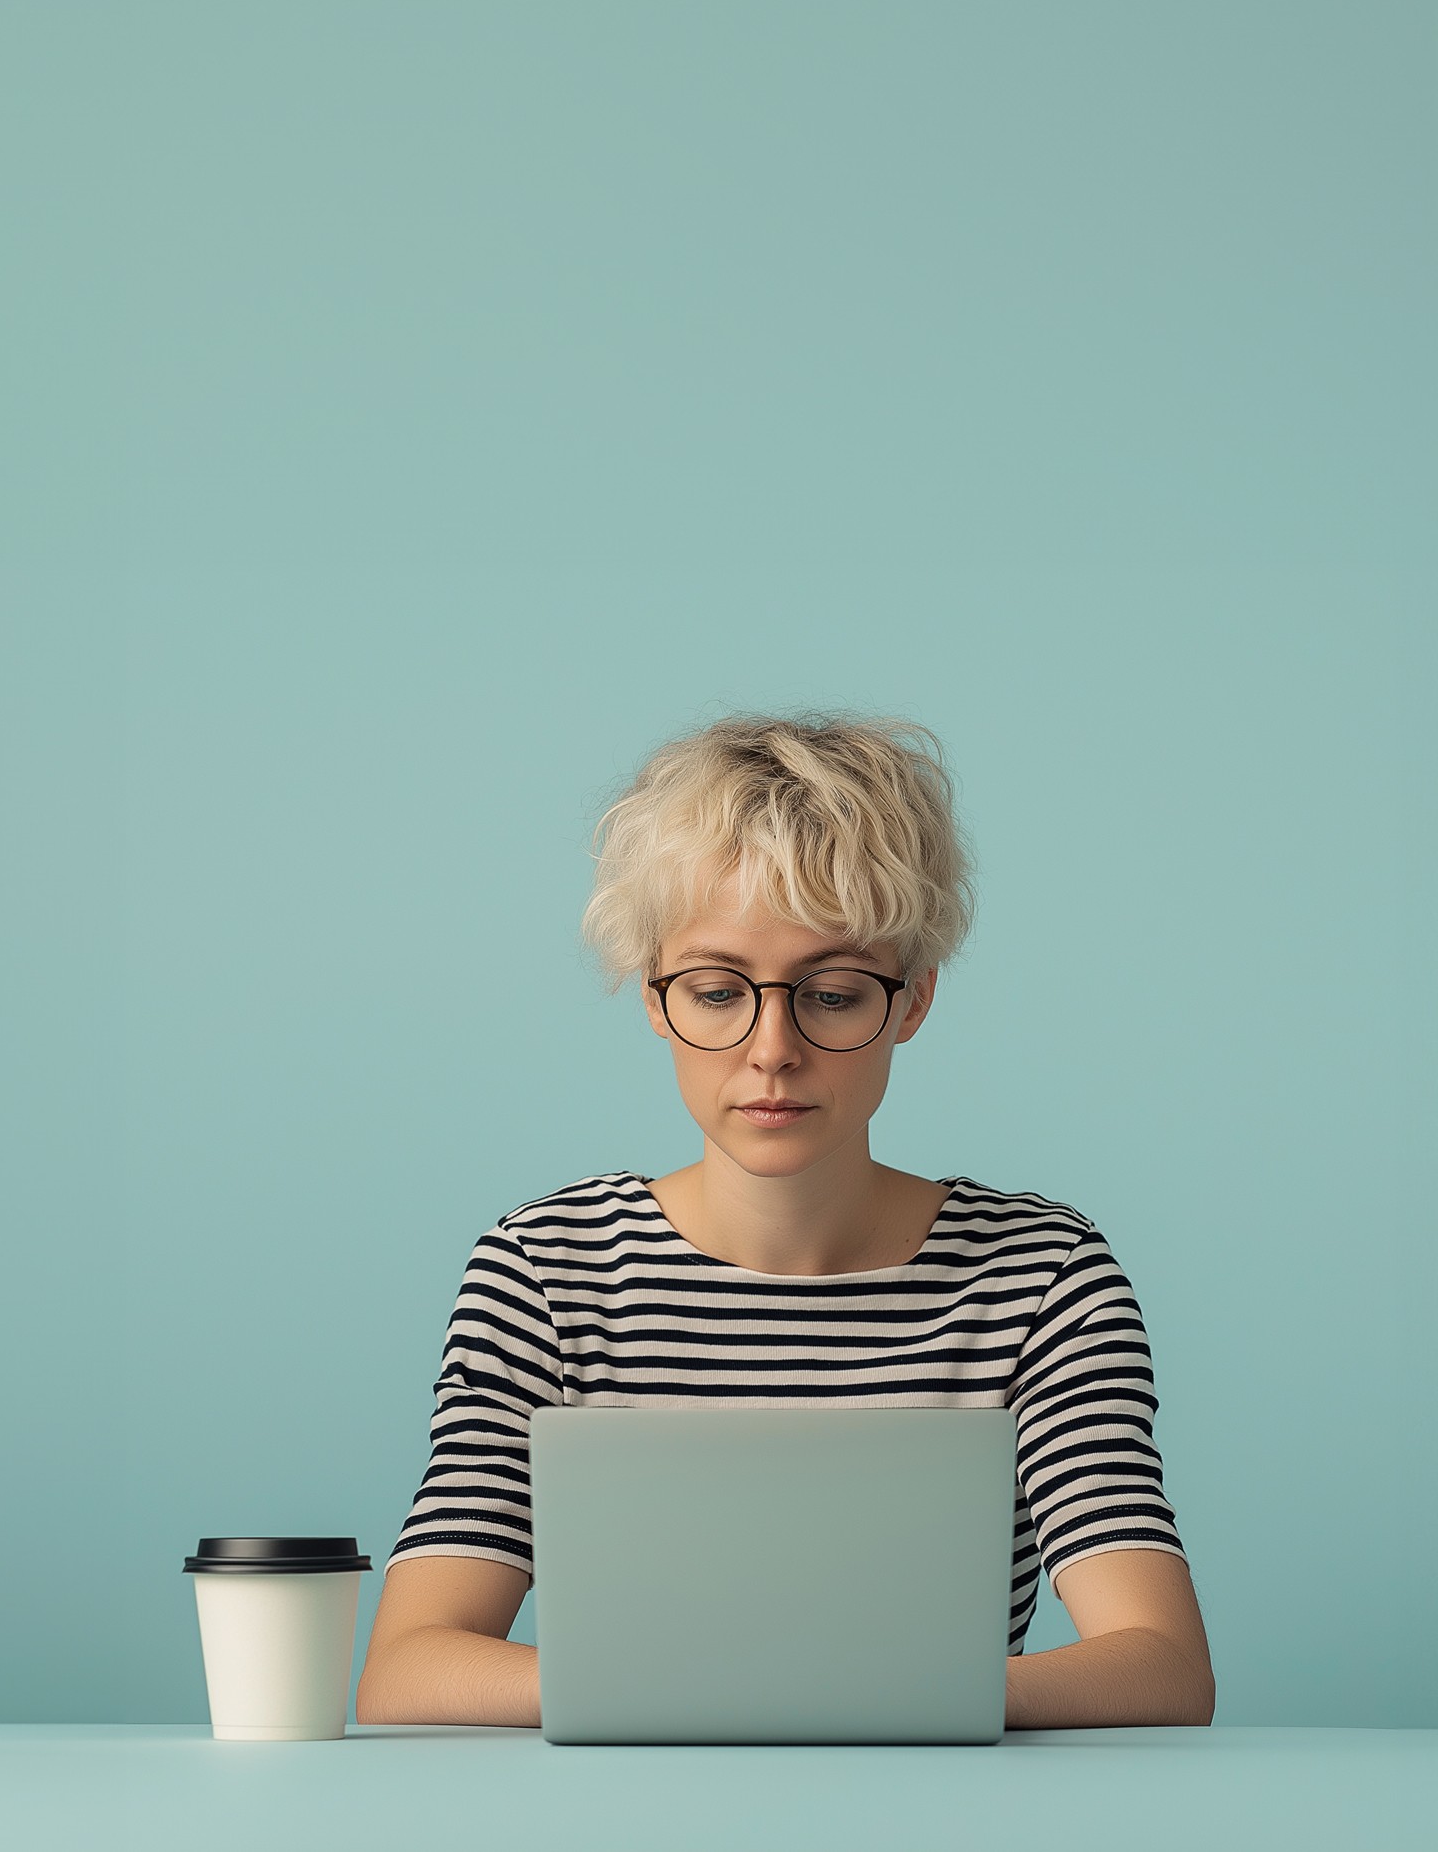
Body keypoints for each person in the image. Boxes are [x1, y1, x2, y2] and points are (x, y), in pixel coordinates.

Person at [356, 713, 1215, 1730]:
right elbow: (407, 1669)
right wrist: (738, 1697)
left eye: (833, 993)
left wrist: (837, 1699)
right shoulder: (546, 1271)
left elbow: (1160, 1665)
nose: (771, 1050)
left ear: (911, 1001)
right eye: (717, 991)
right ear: (652, 997)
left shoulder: (1040, 1276)